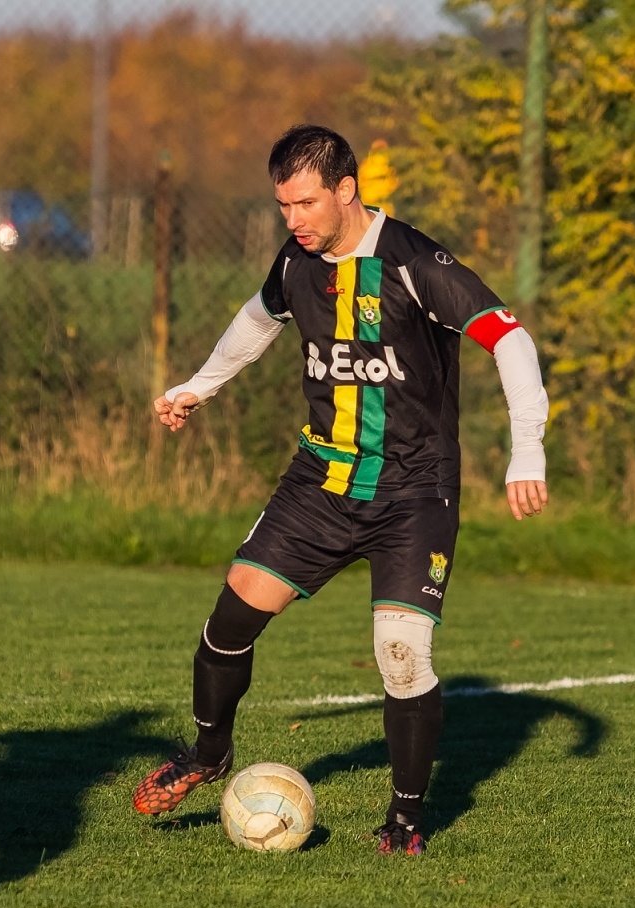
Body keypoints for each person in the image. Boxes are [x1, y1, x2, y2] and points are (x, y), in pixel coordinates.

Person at [132, 124, 549, 855]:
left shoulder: (415, 262)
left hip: (415, 492)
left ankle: (408, 816)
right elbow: (257, 319)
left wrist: (527, 451)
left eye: (305, 203)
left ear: (347, 191)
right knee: (229, 620)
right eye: (282, 206)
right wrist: (199, 387)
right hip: (321, 482)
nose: (293, 221)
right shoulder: (298, 262)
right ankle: (208, 754)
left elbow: (509, 337)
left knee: (400, 654)